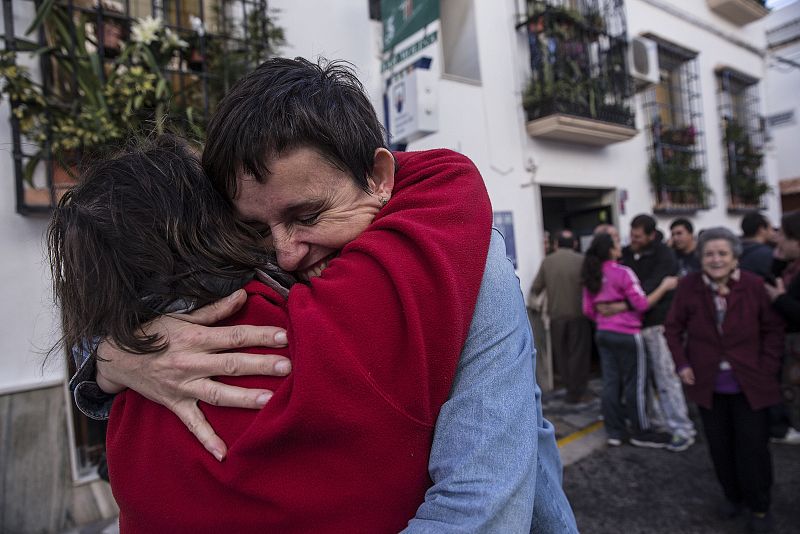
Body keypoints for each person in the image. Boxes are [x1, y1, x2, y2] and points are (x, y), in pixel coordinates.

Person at [67, 59, 577, 532]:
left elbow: (483, 500)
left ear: (379, 177)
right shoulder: (246, 276)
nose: (284, 253)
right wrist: (112, 360)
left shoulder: (462, 257)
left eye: (307, 216)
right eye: (256, 229)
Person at [665, 227, 784, 534]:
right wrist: (682, 364)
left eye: (722, 254)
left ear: (735, 259)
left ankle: (759, 507)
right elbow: (673, 328)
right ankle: (733, 497)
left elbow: (772, 330)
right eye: (709, 254)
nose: (715, 259)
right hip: (708, 384)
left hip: (750, 383)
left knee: (753, 448)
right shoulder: (690, 286)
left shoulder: (754, 286)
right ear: (700, 258)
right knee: (720, 446)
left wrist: (767, 366)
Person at [581, 232, 678, 448]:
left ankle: (615, 431)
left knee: (610, 383)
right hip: (628, 334)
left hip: (604, 333)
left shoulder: (591, 274)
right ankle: (640, 431)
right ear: (610, 250)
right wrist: (664, 286)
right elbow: (642, 304)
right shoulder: (623, 272)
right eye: (616, 243)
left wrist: (604, 316)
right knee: (636, 383)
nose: (621, 246)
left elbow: (587, 310)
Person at [621, 213, 695, 450]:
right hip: (635, 326)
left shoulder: (665, 255)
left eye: (638, 236)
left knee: (666, 378)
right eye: (632, 235)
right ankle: (659, 422)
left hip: (658, 325)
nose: (633, 239)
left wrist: (622, 304)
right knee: (646, 381)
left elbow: (644, 290)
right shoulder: (628, 253)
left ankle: (682, 428)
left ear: (651, 235)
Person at [532, 230, 592, 403]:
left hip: (556, 316)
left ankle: (568, 388)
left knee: (562, 354)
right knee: (578, 354)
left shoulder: (548, 262)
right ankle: (578, 390)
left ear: (556, 244)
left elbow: (536, 287)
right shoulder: (582, 260)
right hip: (579, 314)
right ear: (574, 244)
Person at [764, 210, 800, 444]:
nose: (778, 240)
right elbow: (772, 276)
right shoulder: (790, 268)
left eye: (783, 236)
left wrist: (779, 299)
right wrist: (778, 260)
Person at [740, 211, 775, 281]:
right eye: (771, 228)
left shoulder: (732, 251)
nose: (773, 233)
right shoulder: (768, 254)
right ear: (761, 230)